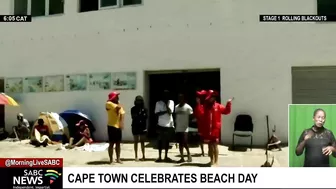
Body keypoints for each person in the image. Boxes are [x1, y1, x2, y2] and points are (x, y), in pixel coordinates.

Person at [196, 90, 233, 166]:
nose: (212, 99)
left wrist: (228, 103)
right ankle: (211, 160)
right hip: (207, 129)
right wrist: (198, 104)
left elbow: (226, 111)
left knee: (215, 145)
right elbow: (199, 114)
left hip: (215, 129)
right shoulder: (205, 107)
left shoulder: (218, 106)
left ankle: (216, 161)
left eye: (213, 97)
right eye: (211, 97)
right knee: (209, 146)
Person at [154, 90, 175, 162]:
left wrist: (166, 105)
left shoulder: (171, 102)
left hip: (168, 125)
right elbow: (157, 113)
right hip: (161, 124)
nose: (166, 97)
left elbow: (170, 112)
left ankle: (166, 156)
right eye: (165, 95)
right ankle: (159, 157)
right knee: (160, 141)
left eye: (167, 95)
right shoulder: (158, 103)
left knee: (167, 142)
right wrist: (165, 111)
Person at [106, 91, 125, 164]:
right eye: (116, 96)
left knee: (118, 143)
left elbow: (122, 113)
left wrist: (121, 123)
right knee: (111, 143)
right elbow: (119, 108)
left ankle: (118, 158)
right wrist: (118, 103)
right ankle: (111, 160)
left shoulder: (116, 104)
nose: (118, 98)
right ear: (113, 98)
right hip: (111, 126)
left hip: (118, 126)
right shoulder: (108, 104)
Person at [175, 93, 193, 163]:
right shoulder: (176, 107)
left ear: (184, 99)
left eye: (181, 98)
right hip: (178, 128)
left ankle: (189, 155)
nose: (180, 100)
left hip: (185, 128)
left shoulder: (188, 107)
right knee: (180, 144)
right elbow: (175, 117)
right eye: (179, 98)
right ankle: (182, 157)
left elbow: (192, 116)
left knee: (185, 142)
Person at [131, 95, 148, 161]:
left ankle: (143, 156)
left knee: (142, 142)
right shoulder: (133, 109)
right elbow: (134, 117)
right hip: (135, 126)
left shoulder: (145, 109)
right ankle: (136, 156)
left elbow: (146, 117)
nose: (139, 102)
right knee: (136, 141)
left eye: (140, 101)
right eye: (137, 101)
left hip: (142, 126)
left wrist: (140, 115)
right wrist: (140, 115)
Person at [194, 90, 207, 156]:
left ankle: (209, 151)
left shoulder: (205, 106)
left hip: (206, 124)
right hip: (200, 125)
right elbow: (196, 116)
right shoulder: (197, 107)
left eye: (198, 99)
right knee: (201, 139)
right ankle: (202, 152)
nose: (197, 100)